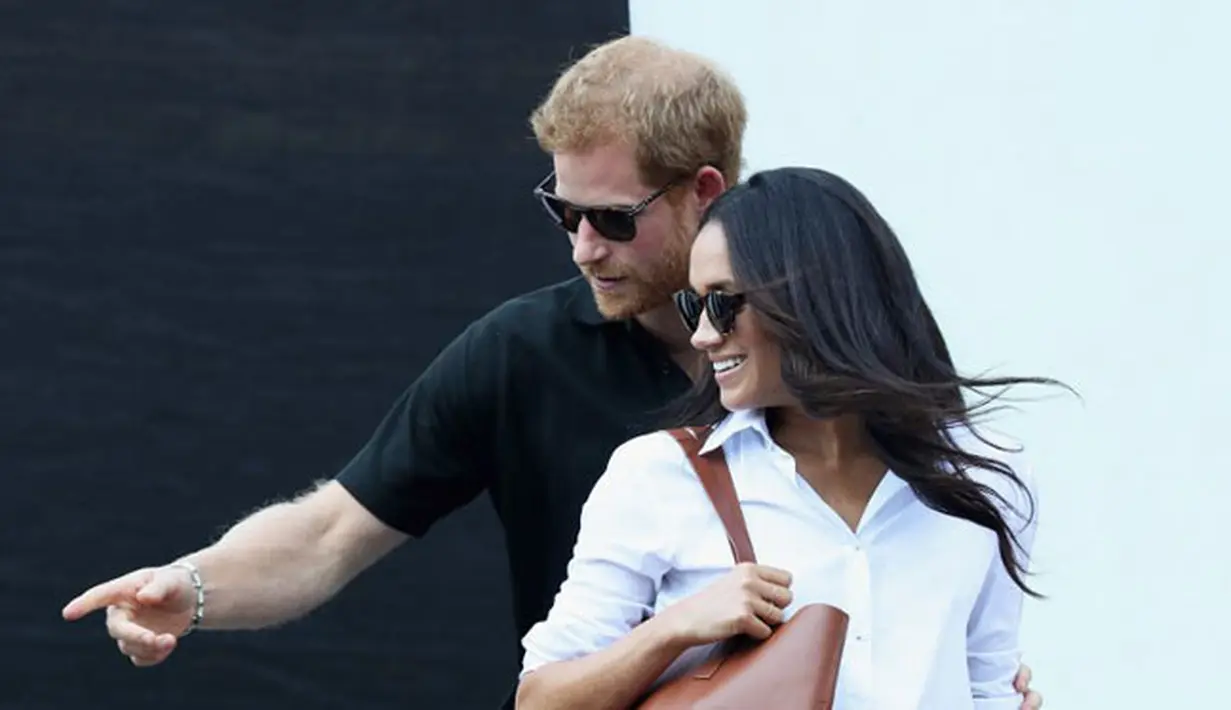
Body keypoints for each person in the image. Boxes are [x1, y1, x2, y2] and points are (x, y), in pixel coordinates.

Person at [60, 37, 1044, 709]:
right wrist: (192, 587)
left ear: (705, 193)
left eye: (611, 218)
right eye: (560, 211)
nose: (581, 246)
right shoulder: (528, 358)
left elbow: (954, 635)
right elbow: (330, 530)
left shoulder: (888, 416)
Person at [515, 166, 1063, 710]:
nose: (703, 335)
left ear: (813, 299)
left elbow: (988, 688)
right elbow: (540, 700)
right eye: (693, 305)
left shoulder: (986, 478)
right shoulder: (660, 476)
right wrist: (672, 629)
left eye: (722, 303)